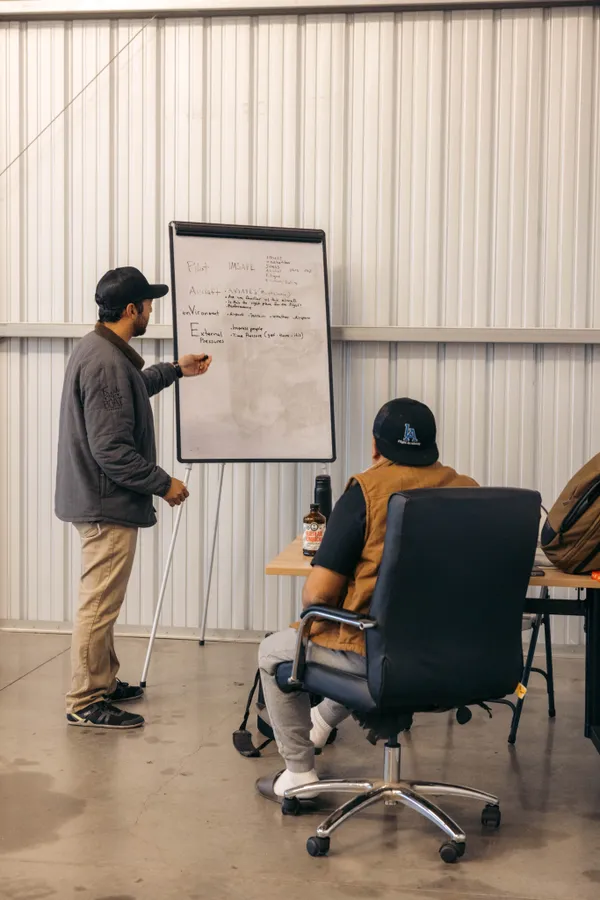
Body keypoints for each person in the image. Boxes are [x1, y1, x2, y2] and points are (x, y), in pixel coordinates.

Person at [258, 398, 478, 798]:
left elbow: (317, 594)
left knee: (277, 650)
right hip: (459, 656)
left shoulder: (366, 491)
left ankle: (299, 776)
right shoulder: (469, 490)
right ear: (431, 447)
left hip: (380, 654)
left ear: (376, 447)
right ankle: (321, 725)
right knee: (357, 647)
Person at [55, 266, 212, 730]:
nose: (150, 311)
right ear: (130, 310)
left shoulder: (104, 350)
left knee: (103, 600)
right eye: (147, 305)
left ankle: (102, 681)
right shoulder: (105, 360)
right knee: (99, 602)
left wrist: (175, 371)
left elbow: (131, 393)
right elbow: (111, 449)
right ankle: (85, 700)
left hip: (101, 499)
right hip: (106, 503)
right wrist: (164, 484)